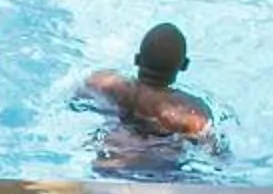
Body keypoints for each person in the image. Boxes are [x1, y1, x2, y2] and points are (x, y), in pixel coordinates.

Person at [83, 23, 215, 140]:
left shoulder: (106, 82)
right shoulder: (191, 115)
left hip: (110, 145)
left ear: (137, 59)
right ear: (184, 65)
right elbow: (214, 151)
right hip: (152, 161)